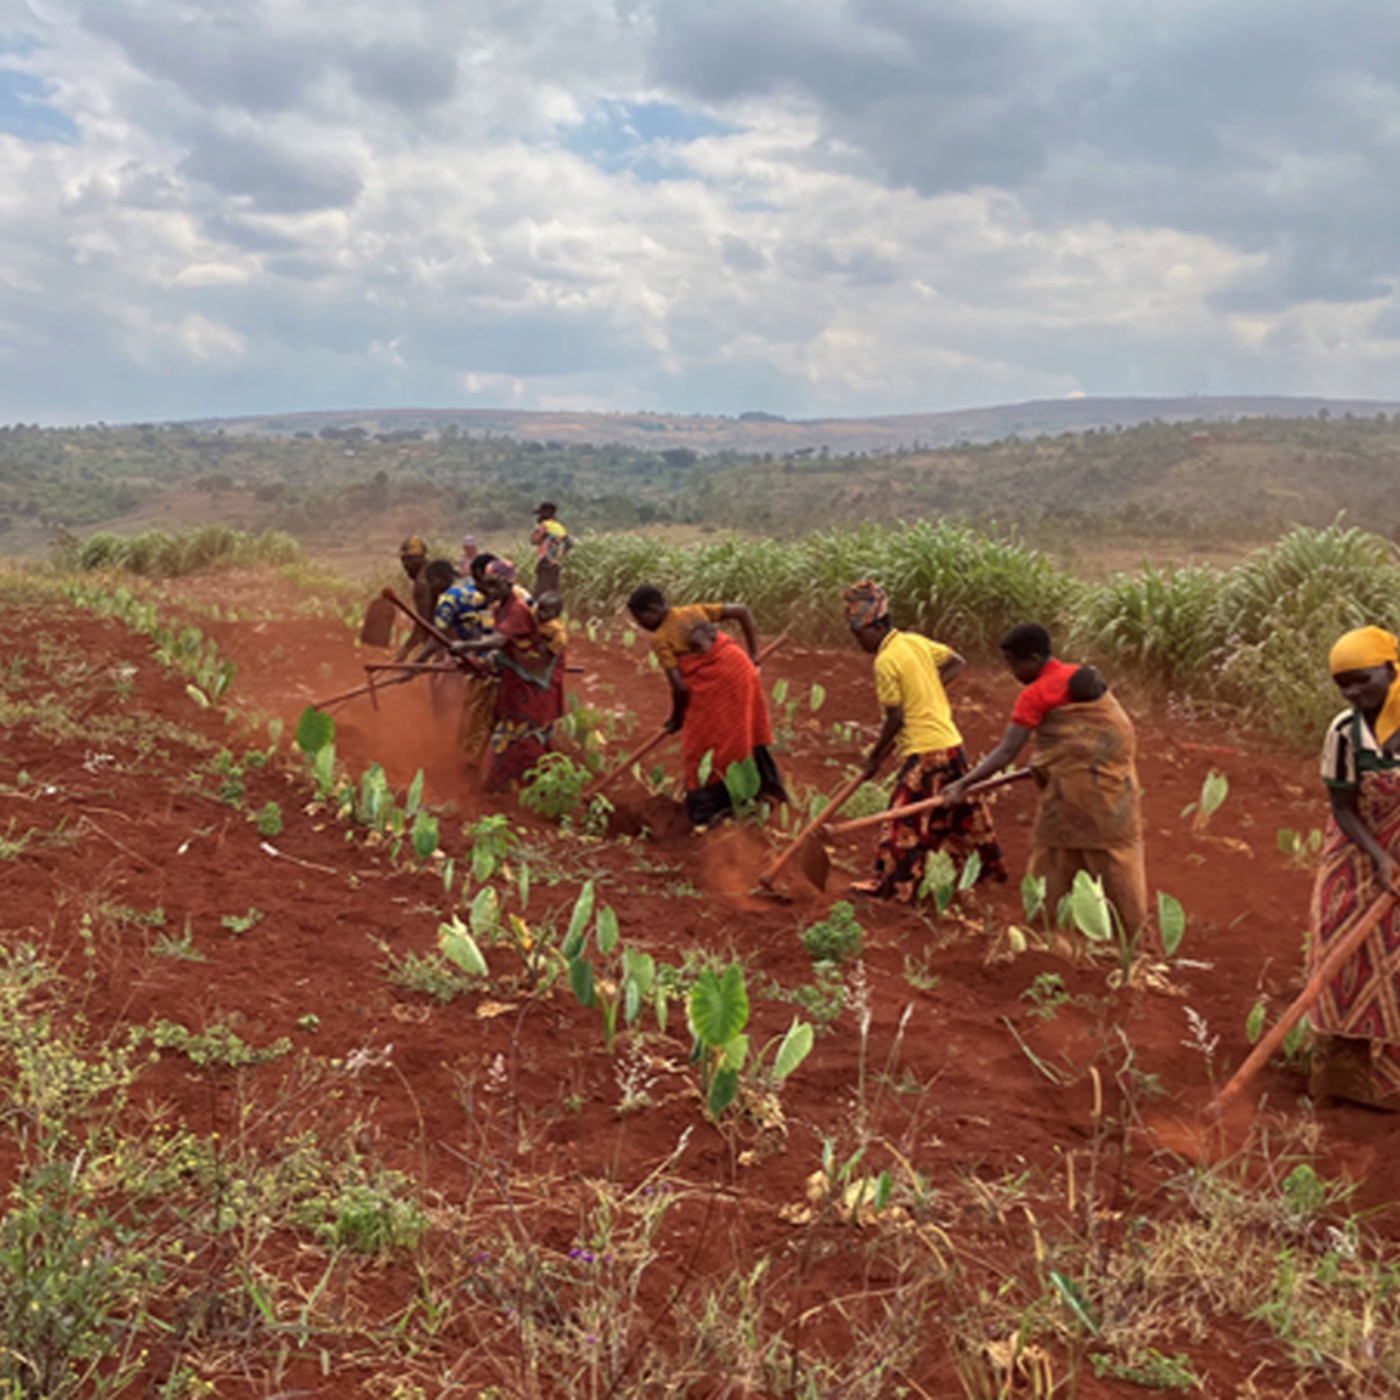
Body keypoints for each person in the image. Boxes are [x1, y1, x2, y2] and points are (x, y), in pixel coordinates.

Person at [943, 623, 1146, 934]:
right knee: (1114, 855)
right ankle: (1129, 937)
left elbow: (1007, 751)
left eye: (1014, 664)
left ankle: (1045, 930)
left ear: (1034, 658)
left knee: (1053, 854)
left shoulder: (1036, 694)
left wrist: (962, 784)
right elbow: (1089, 739)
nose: (1012, 671)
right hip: (1113, 789)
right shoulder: (1080, 675)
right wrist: (1054, 760)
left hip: (1072, 793)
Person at [843, 579, 1006, 901]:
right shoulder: (914, 642)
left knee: (901, 821)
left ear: (875, 625)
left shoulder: (886, 660)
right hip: (951, 743)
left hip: (924, 751)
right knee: (962, 812)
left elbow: (895, 719)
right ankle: (988, 872)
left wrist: (875, 757)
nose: (859, 643)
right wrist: (928, 690)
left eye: (859, 635)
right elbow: (956, 662)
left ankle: (894, 886)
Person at [1307, 626, 1400, 1109]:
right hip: (1357, 856)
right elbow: (1343, 806)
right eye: (1342, 684)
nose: (1352, 693)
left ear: (1390, 668)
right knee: (1343, 956)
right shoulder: (1345, 732)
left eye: (1362, 680)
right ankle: (1345, 1082)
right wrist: (1381, 857)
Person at [451, 558, 565, 792]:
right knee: (511, 732)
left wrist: (464, 647)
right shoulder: (499, 607)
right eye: (487, 584)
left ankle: (537, 789)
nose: (489, 590)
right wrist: (479, 662)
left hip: (531, 685)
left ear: (508, 584)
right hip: (514, 679)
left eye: (495, 585)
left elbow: (500, 641)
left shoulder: (517, 610)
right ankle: (511, 786)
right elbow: (503, 649)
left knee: (521, 737)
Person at [668, 616, 788, 828]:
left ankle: (727, 808)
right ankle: (750, 800)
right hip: (724, 697)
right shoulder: (688, 657)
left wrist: (676, 718)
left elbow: (681, 691)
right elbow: (682, 690)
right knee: (730, 739)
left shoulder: (730, 657)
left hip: (737, 693)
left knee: (734, 738)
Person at [627, 585, 761, 734]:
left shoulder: (661, 638)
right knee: (744, 727)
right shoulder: (693, 611)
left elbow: (680, 689)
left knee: (717, 737)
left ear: (654, 609)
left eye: (641, 619)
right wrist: (753, 653)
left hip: (721, 683)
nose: (640, 625)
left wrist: (676, 719)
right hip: (743, 668)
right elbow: (742, 610)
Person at [394, 535, 439, 662]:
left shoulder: (422, 582)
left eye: (406, 560)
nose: (404, 566)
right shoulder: (438, 571)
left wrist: (404, 651)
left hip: (447, 642)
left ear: (416, 559)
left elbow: (424, 625)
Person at [531, 502, 570, 596]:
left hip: (545, 561)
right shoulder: (560, 527)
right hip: (556, 563)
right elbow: (568, 544)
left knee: (540, 592)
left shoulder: (544, 525)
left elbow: (535, 540)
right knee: (552, 591)